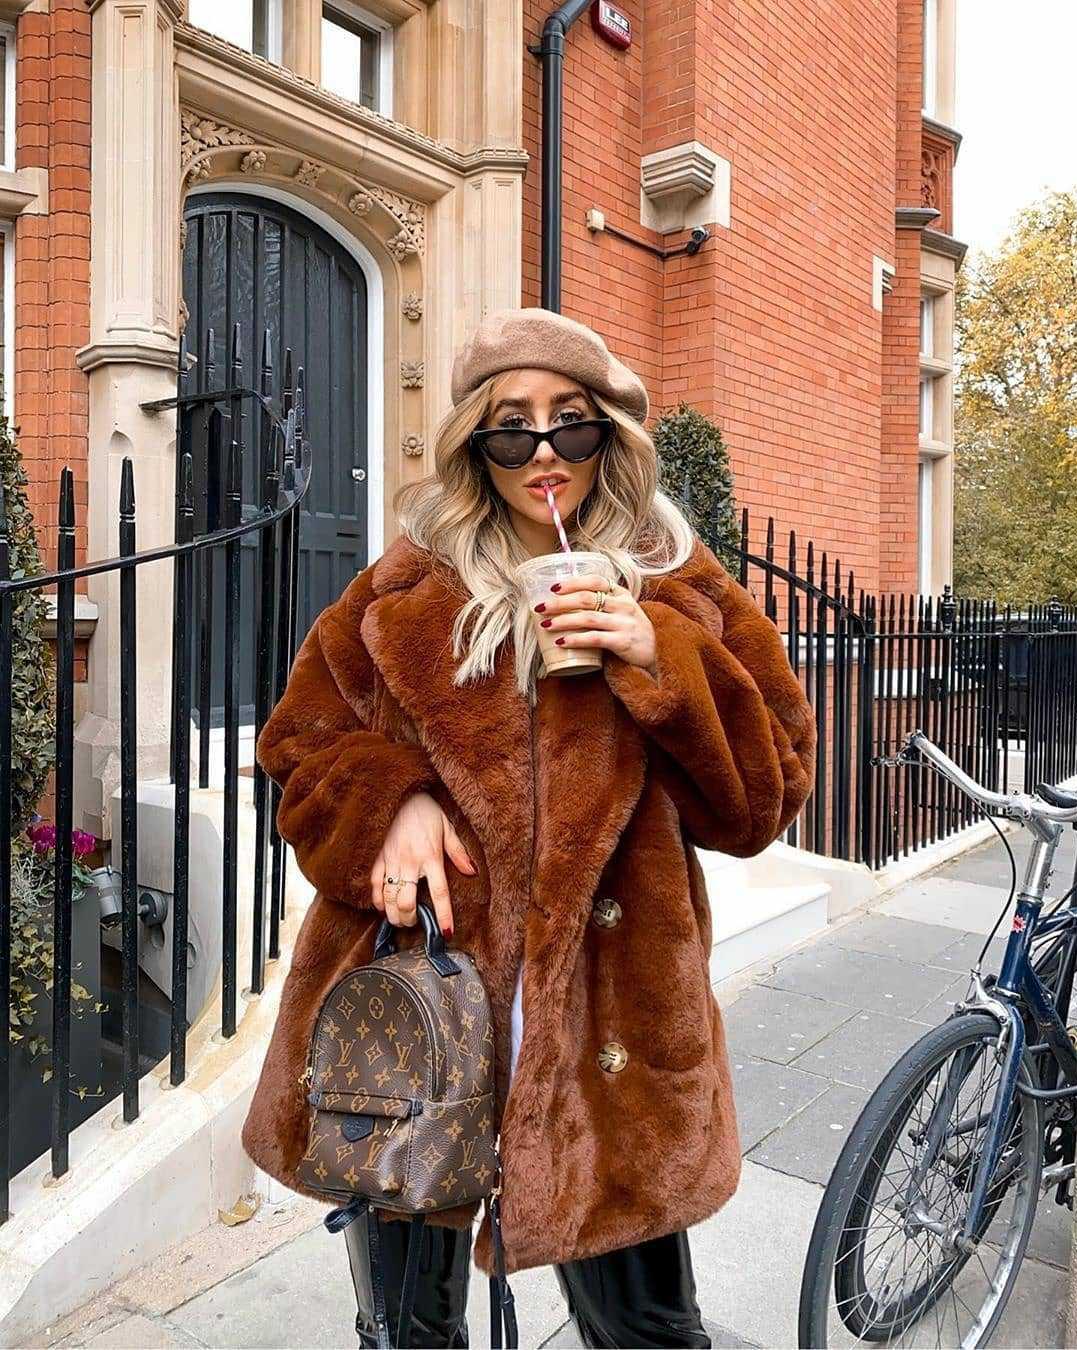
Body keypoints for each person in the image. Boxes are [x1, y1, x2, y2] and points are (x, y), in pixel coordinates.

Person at [240, 307, 817, 1348]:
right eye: (512, 427)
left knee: (648, 1332)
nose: (543, 451)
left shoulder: (685, 589)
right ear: (475, 442)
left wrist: (661, 657)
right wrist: (390, 804)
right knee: (407, 1330)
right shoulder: (401, 590)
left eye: (571, 423)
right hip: (414, 1019)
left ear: (610, 437)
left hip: (615, 1036)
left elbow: (764, 800)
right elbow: (297, 745)